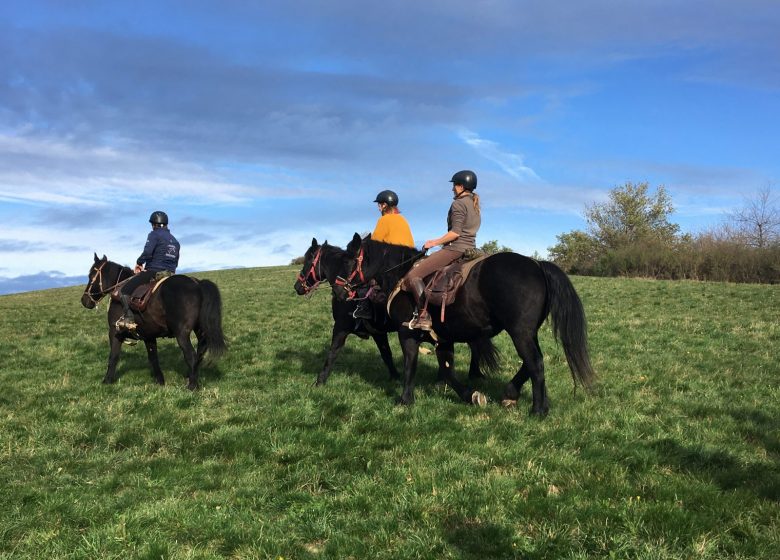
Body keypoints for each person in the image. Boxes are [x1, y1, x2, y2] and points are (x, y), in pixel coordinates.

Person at [403, 170, 480, 331]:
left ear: (461, 186)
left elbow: (455, 233)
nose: (452, 189)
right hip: (471, 248)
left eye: (454, 185)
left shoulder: (458, 204)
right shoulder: (474, 204)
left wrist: (434, 242)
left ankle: (424, 316)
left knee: (413, 275)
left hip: (455, 249)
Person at [353, 190, 416, 320]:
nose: (378, 207)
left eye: (380, 204)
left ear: (385, 205)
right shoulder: (403, 220)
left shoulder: (384, 220)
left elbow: (374, 245)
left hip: (393, 262)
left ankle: (363, 308)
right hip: (410, 260)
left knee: (363, 277)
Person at [115, 211, 181, 332]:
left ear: (154, 224)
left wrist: (139, 262)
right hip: (171, 274)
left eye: (152, 225)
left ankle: (129, 318)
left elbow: (147, 253)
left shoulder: (154, 235)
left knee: (124, 291)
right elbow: (175, 261)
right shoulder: (176, 241)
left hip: (154, 271)